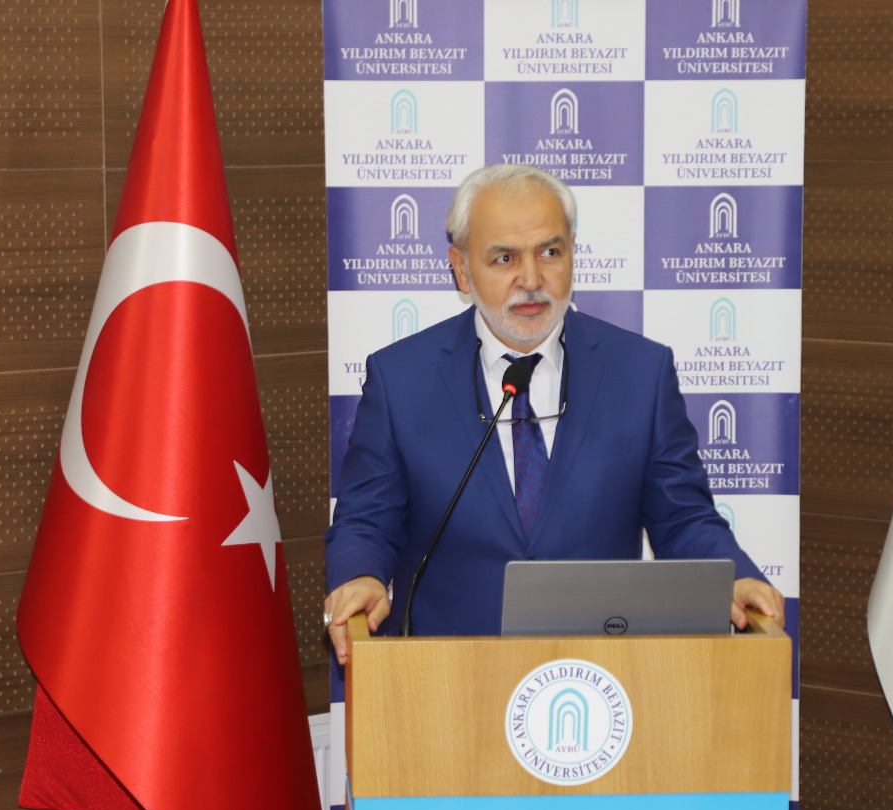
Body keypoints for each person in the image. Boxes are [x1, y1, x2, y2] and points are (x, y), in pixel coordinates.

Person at [323, 164, 782, 663]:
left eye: (550, 252)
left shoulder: (640, 373)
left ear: (573, 253)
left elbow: (683, 516)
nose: (531, 279)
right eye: (504, 258)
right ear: (461, 269)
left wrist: (733, 576)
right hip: (447, 676)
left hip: (601, 673)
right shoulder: (401, 379)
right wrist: (360, 576)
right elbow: (367, 520)